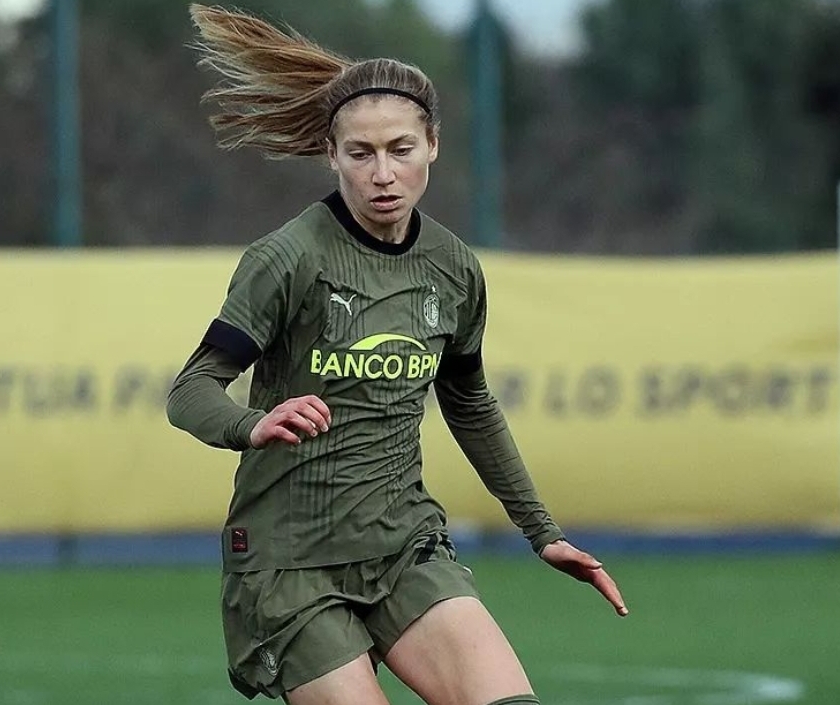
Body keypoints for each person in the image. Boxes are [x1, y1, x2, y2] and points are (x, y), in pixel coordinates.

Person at [167, 6, 628, 705]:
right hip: (290, 563)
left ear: (433, 145)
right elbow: (190, 390)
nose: (383, 173)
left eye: (401, 149)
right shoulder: (289, 257)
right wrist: (250, 424)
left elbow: (470, 405)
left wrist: (542, 532)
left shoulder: (453, 267)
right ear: (331, 155)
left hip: (403, 545)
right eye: (361, 154)